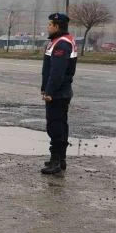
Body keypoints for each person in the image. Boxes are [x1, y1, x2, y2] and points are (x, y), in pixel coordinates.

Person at [40, 12, 78, 175]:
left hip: (58, 93)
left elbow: (57, 72)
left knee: (55, 126)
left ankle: (56, 161)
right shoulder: (58, 41)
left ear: (56, 26)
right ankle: (60, 159)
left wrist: (49, 91)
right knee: (60, 125)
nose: (48, 27)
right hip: (60, 92)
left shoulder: (62, 44)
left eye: (50, 25)